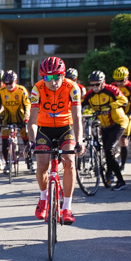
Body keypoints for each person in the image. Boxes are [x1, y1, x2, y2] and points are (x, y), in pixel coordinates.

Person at [27, 56, 84, 224]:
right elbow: (32, 121)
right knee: (42, 163)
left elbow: (77, 116)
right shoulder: (37, 89)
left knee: (69, 162)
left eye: (56, 76)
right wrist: (32, 142)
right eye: (47, 78)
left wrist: (79, 141)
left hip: (65, 128)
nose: (52, 82)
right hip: (44, 129)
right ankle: (43, 198)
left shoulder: (72, 87)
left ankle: (67, 207)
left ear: (63, 74)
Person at [83, 71, 129, 191]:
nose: (94, 87)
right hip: (105, 126)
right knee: (106, 151)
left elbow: (124, 101)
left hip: (118, 123)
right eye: (92, 85)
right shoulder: (90, 95)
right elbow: (78, 105)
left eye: (97, 84)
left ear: (103, 82)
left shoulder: (112, 90)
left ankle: (120, 180)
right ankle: (109, 171)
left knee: (109, 148)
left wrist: (110, 106)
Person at [0, 70, 31, 173]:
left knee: (27, 140)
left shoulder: (21, 90)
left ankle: (30, 161)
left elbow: (27, 105)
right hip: (7, 118)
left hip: (21, 118)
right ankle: (7, 164)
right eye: (6, 83)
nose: (8, 85)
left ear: (15, 81)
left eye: (10, 83)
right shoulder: (2, 91)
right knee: (5, 141)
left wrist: (26, 118)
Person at [112, 66, 131, 172]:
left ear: (127, 77)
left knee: (123, 140)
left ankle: (122, 165)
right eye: (117, 81)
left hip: (127, 115)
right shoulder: (112, 86)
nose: (119, 83)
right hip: (115, 114)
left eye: (121, 81)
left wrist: (127, 116)